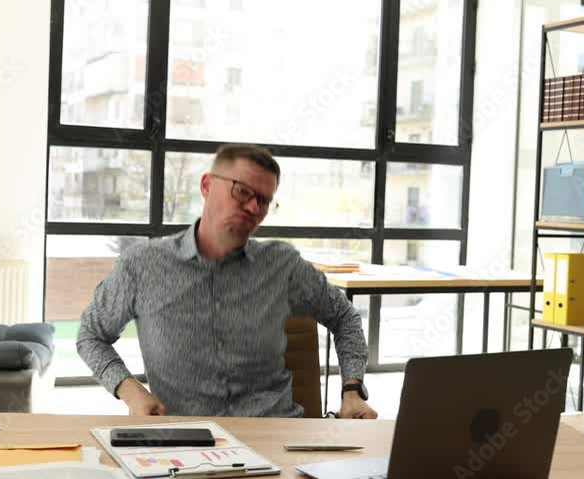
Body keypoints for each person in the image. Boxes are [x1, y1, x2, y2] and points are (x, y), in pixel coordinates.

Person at [77, 144, 376, 419]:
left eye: (264, 201)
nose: (253, 209)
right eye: (242, 192)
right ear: (207, 185)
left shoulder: (282, 265)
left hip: (275, 434)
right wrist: (131, 391)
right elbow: (91, 335)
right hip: (187, 440)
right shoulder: (143, 265)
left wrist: (352, 391)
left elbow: (344, 317)